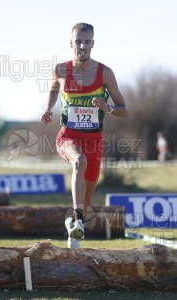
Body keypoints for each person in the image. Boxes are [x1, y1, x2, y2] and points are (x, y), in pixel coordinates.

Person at [41, 22, 128, 248]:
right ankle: (79, 221)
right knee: (79, 161)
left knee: (85, 202)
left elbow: (124, 109)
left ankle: (74, 222)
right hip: (68, 137)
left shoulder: (105, 73)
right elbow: (52, 90)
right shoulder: (61, 69)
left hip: (94, 141)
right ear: (71, 43)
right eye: (78, 41)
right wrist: (49, 109)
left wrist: (107, 108)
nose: (82, 46)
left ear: (92, 44)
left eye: (86, 42)